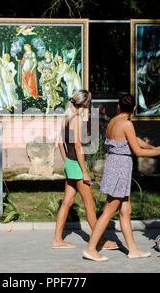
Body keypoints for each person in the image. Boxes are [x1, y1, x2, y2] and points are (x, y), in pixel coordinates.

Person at [83, 94, 160, 262]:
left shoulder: (114, 121)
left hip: (115, 165)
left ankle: (132, 249)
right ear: (134, 108)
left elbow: (136, 141)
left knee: (125, 210)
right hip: (120, 168)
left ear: (119, 106)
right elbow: (138, 151)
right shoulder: (127, 124)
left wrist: (154, 147)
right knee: (109, 210)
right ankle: (91, 248)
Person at [52, 90, 117, 250]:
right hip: (78, 165)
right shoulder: (77, 120)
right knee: (90, 205)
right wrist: (85, 171)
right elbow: (78, 146)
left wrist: (67, 160)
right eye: (89, 104)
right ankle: (100, 241)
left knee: (67, 202)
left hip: (70, 163)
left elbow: (60, 143)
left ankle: (57, 240)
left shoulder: (66, 117)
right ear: (85, 104)